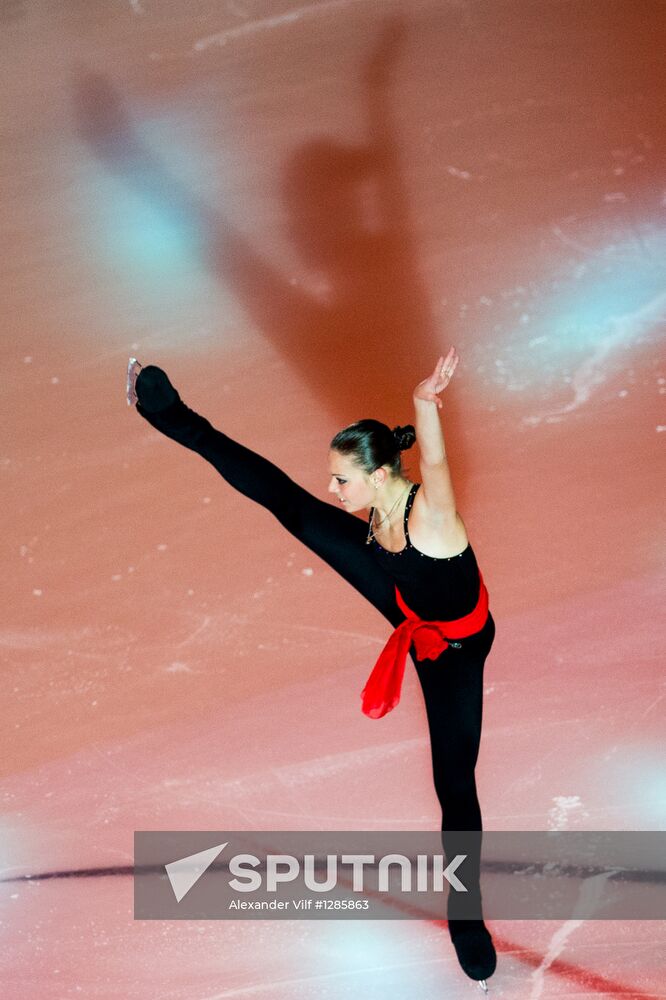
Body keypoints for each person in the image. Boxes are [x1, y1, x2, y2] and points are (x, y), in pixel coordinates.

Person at [129, 349, 497, 990]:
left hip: (454, 650)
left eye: (343, 482)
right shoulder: (375, 511)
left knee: (455, 782)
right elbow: (309, 498)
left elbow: (435, 463)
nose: (335, 490)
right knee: (290, 507)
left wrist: (424, 403)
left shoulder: (436, 522)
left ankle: (468, 919)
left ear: (380, 476)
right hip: (402, 594)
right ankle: (172, 416)